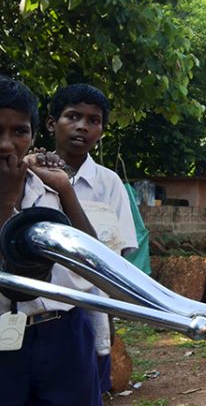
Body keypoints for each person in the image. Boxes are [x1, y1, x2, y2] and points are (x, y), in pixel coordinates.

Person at [0, 74, 103, 405]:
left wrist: (64, 188)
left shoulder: (46, 186)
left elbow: (92, 261)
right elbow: (16, 284)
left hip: (64, 334)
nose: (6, 144)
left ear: (32, 134)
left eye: (19, 131)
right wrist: (5, 203)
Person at [46, 83, 139, 395]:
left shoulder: (109, 184)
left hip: (90, 316)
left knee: (87, 392)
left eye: (93, 120)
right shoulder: (27, 174)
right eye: (73, 116)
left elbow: (113, 261)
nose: (82, 127)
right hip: (36, 314)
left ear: (101, 130)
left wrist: (108, 318)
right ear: (51, 123)